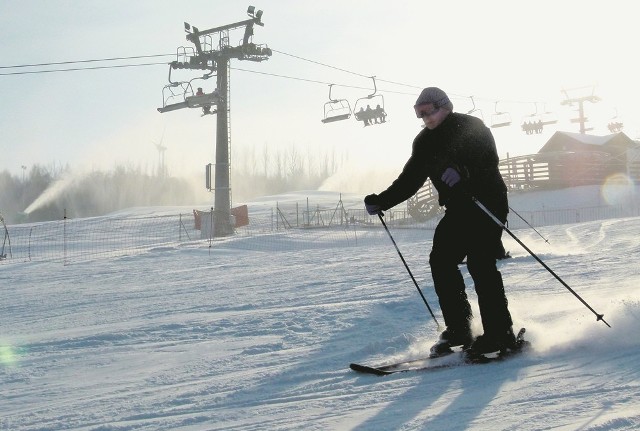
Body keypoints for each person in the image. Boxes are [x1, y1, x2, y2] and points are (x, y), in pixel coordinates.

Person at [364, 87, 517, 357]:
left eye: (427, 111)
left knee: (480, 263)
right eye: (419, 114)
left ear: (444, 106)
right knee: (441, 260)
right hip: (458, 209)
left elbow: (487, 161)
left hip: (486, 202)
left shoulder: (471, 127)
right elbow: (410, 179)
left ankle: (500, 333)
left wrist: (463, 172)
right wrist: (382, 200)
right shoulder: (424, 142)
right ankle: (459, 329)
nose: (424, 118)